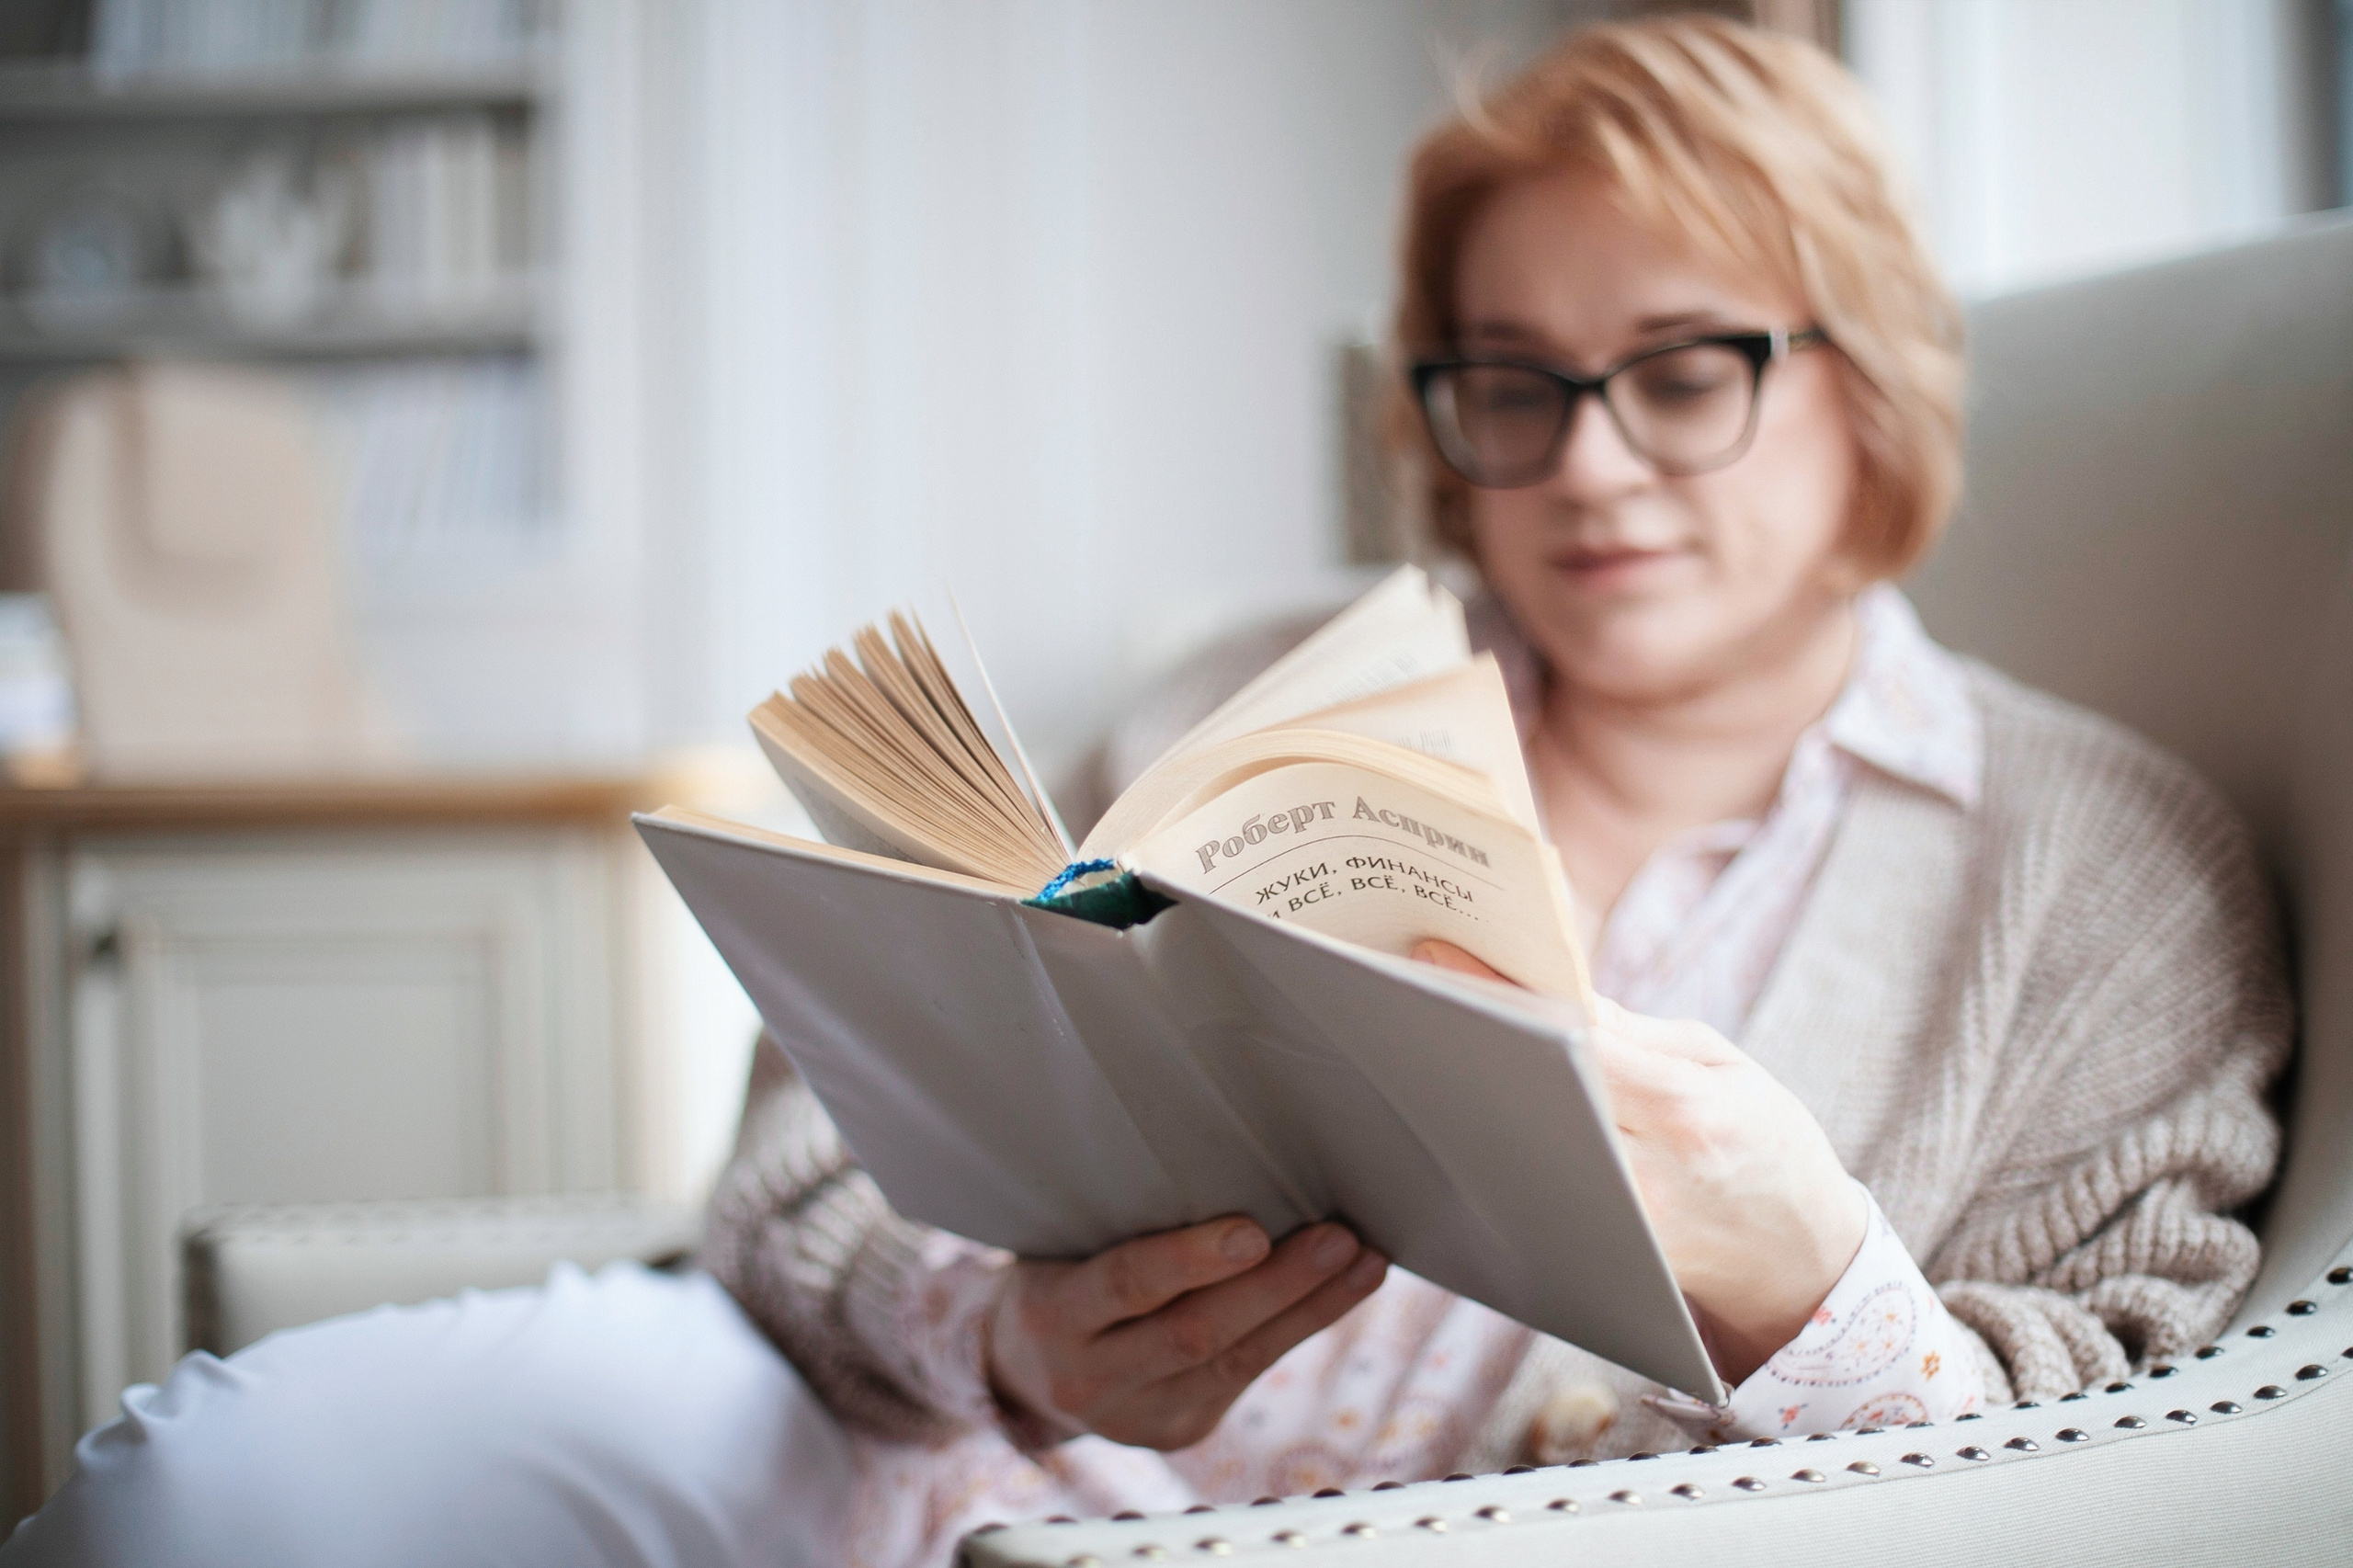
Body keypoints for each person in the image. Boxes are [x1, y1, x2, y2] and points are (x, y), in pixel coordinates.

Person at [4, 16, 2287, 1568]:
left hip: (1389, 1540)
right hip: (905, 1455)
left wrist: (1819, 1291)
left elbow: (2118, 1432)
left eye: (1681, 369)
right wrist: (995, 1325)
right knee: (194, 1488)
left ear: (1864, 389)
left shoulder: (2093, 867)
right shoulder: (1251, 695)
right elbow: (802, 1141)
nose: (1585, 463)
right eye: (1510, 381)